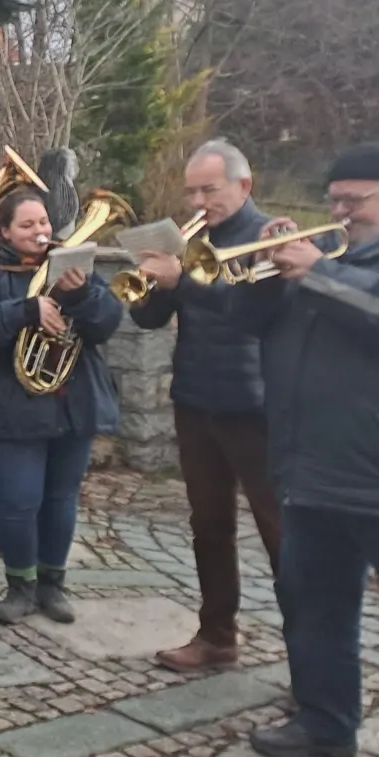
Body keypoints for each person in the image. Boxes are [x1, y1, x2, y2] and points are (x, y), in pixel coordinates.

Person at [232, 143, 379, 757]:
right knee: (314, 612)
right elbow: (248, 322)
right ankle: (326, 723)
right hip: (316, 476)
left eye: (354, 202)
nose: (341, 213)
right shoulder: (325, 259)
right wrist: (265, 267)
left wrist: (321, 276)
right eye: (334, 201)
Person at [125, 139, 282, 673]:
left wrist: (182, 281)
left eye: (208, 190)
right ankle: (217, 636)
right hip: (196, 400)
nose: (197, 201)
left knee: (280, 531)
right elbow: (148, 321)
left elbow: (244, 312)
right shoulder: (190, 241)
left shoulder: (270, 239)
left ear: (244, 185)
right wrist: (151, 285)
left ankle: (313, 647)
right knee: (209, 526)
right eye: (191, 190)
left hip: (257, 404)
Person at [0, 189, 122, 626]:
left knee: (61, 499)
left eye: (43, 223)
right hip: (16, 408)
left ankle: (53, 584)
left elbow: (107, 324)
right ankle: (19, 585)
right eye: (27, 225)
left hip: (72, 405)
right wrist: (27, 310)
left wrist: (83, 296)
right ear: (5, 231)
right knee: (18, 502)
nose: (40, 232)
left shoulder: (73, 266)